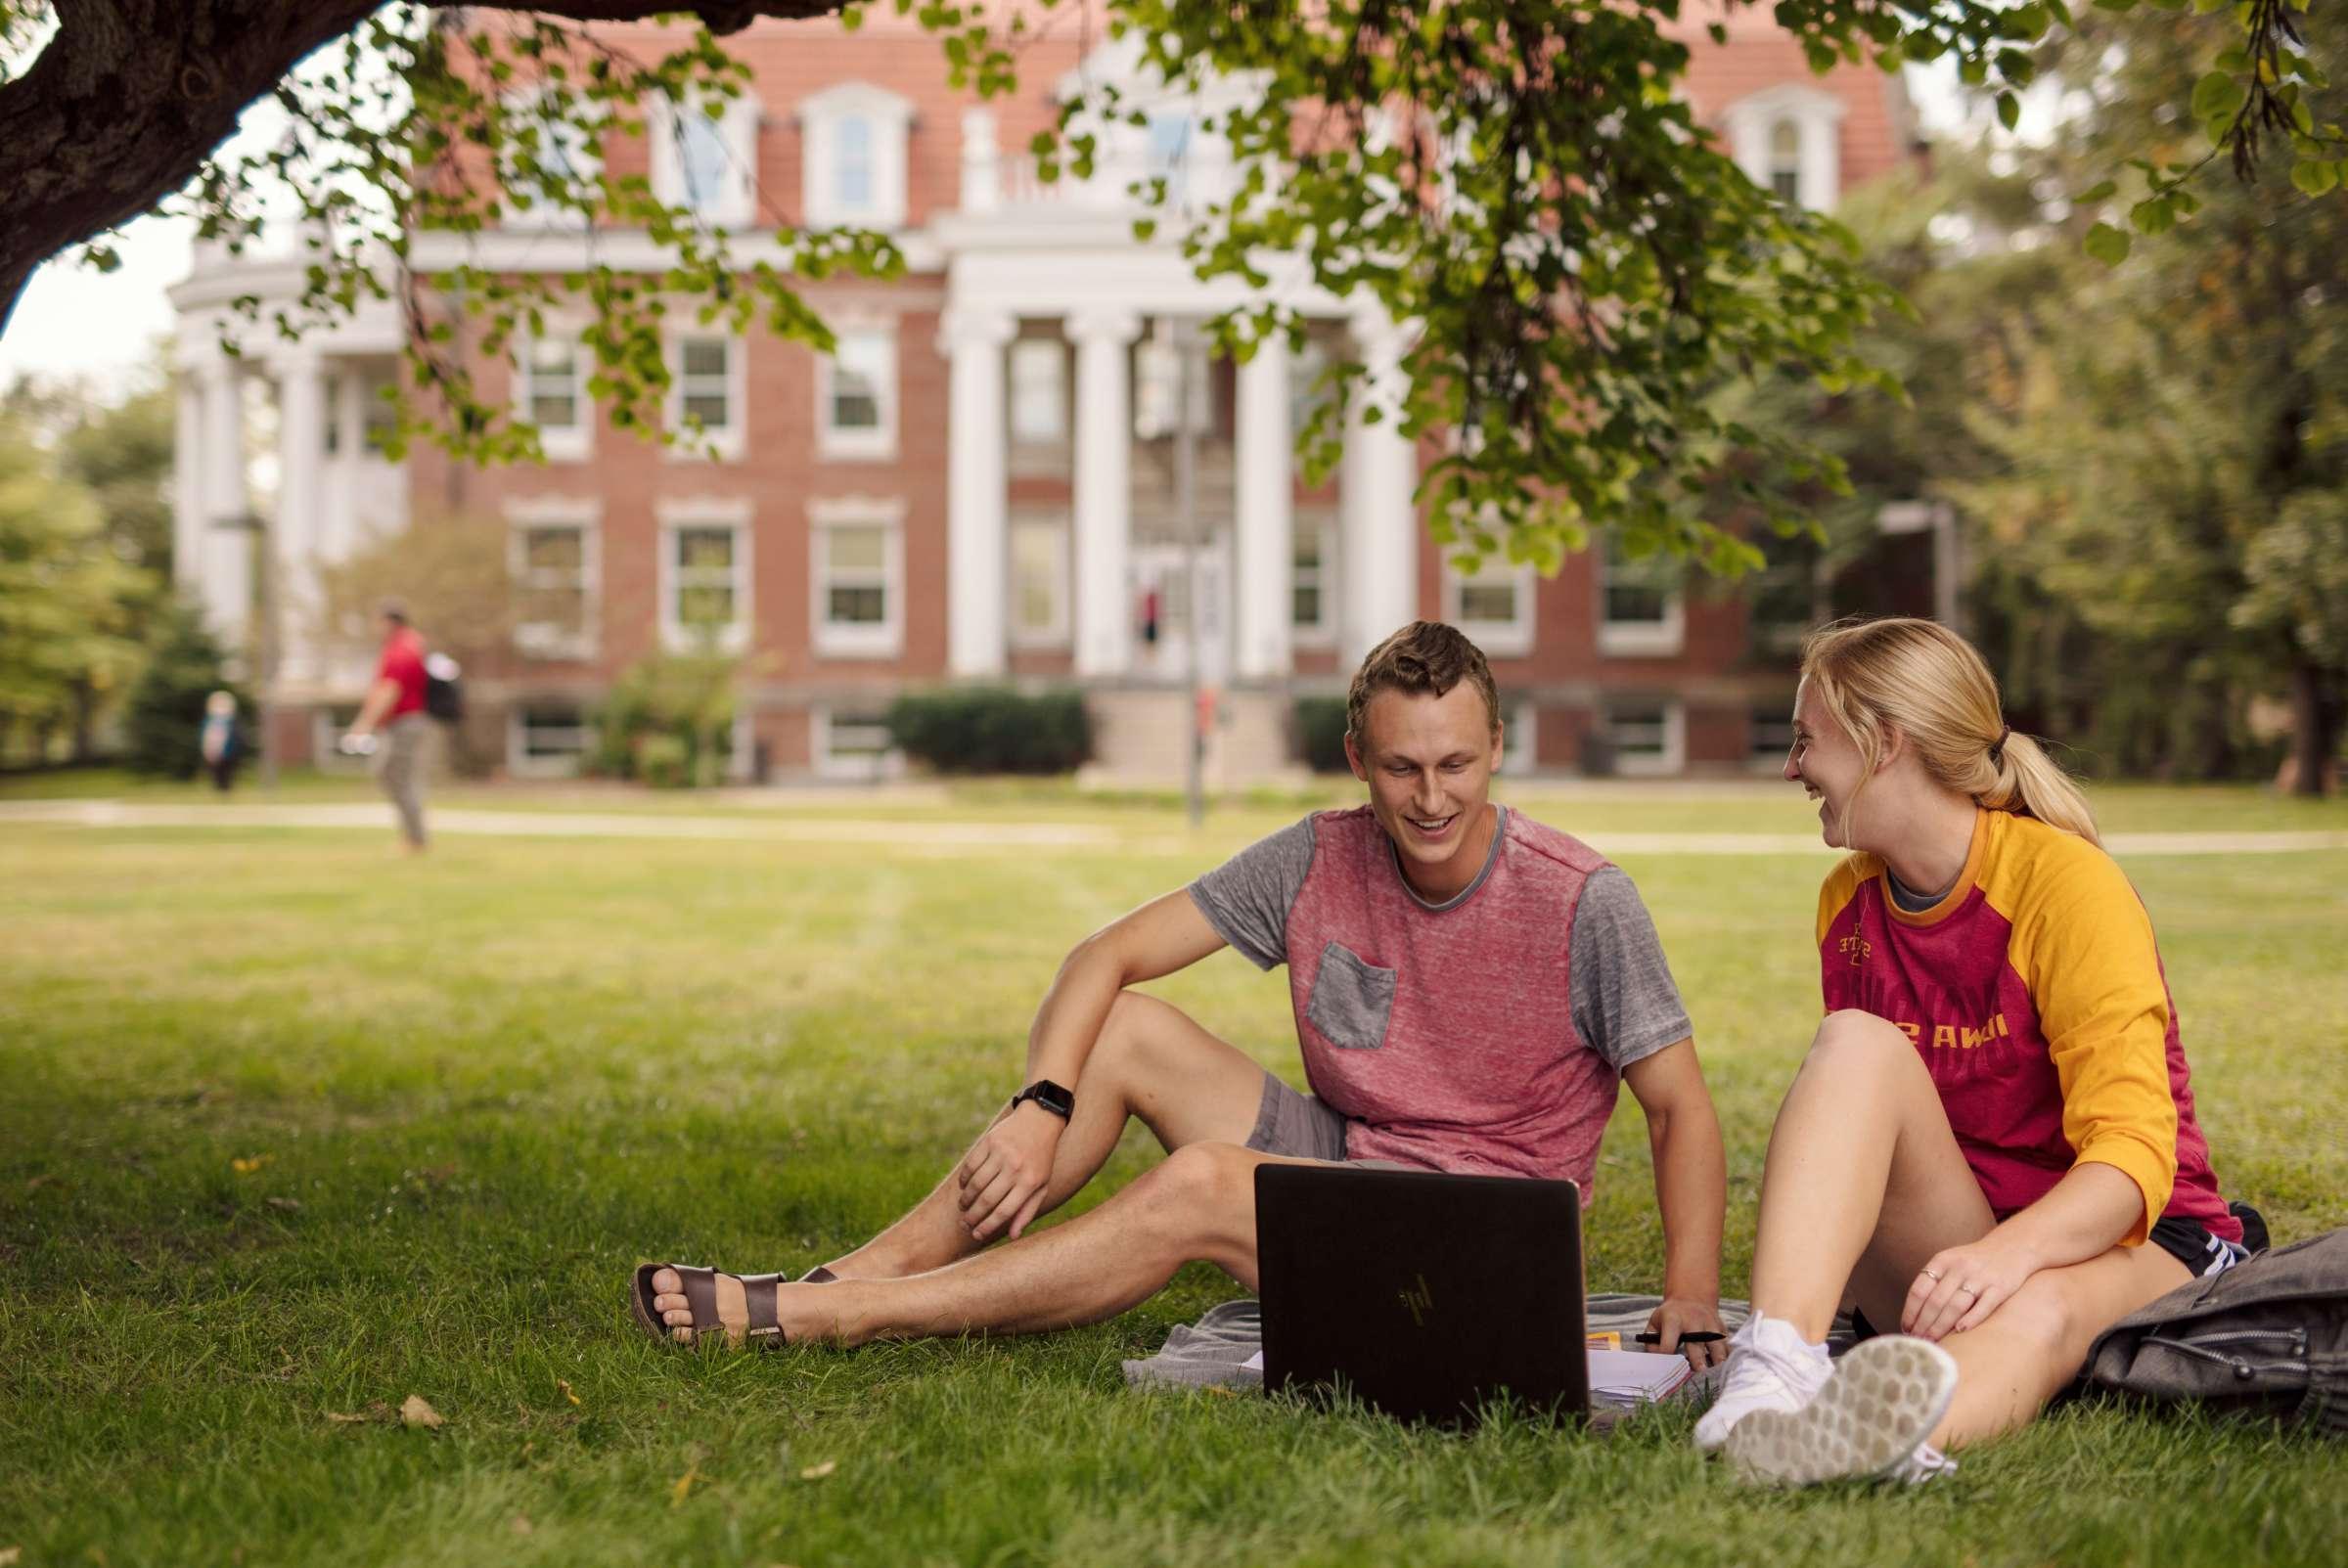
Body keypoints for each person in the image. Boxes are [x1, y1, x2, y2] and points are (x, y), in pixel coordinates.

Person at [635, 621, 1732, 1366]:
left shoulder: (1585, 899)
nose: (1432, 796)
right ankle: (845, 1274)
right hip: (1354, 1173)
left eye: (1457, 763)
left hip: (1486, 1250)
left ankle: (848, 1316)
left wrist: (1689, 1293)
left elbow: (1681, 1108)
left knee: (1209, 1183)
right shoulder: (1317, 857)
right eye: (1403, 767)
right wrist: (1042, 1105)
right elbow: (1103, 954)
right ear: (1357, 756)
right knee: (1124, 1033)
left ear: (1497, 746)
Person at [1694, 617, 2252, 1486]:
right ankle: (1776, 1370)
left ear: (1884, 742)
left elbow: (2133, 1154)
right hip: (1968, 1241)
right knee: (1853, 1043)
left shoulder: (2067, 887)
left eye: (1806, 741)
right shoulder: (1847, 902)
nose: (1790, 767)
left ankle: (1886, 1444)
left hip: (2128, 1234)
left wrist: (2008, 1255)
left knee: (2045, 1303)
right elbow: (1868, 1125)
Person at [341, 600, 430, 853]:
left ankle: (415, 839)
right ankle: (414, 837)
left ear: (389, 622)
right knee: (395, 776)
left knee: (395, 776)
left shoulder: (400, 650)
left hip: (404, 722)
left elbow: (389, 690)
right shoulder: (411, 644)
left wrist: (363, 724)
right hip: (405, 722)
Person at [198, 690, 241, 792]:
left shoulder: (232, 722)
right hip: (212, 750)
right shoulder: (209, 721)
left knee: (226, 772)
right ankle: (217, 788)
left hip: (228, 751)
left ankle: (226, 789)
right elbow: (205, 736)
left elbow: (236, 738)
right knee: (215, 772)